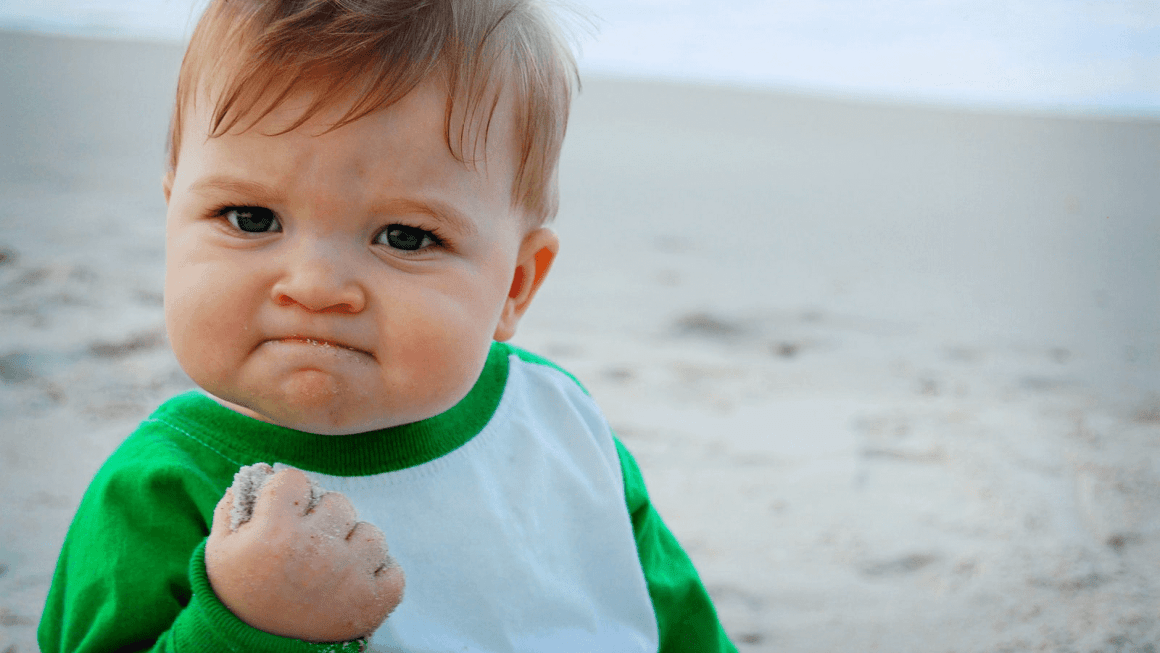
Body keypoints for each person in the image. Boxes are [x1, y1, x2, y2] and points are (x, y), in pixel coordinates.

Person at [38, 0, 738, 651]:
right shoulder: (161, 490)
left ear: (514, 286)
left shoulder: (561, 424)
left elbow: (672, 620)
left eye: (405, 236)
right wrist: (248, 621)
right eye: (251, 219)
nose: (315, 286)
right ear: (173, 222)